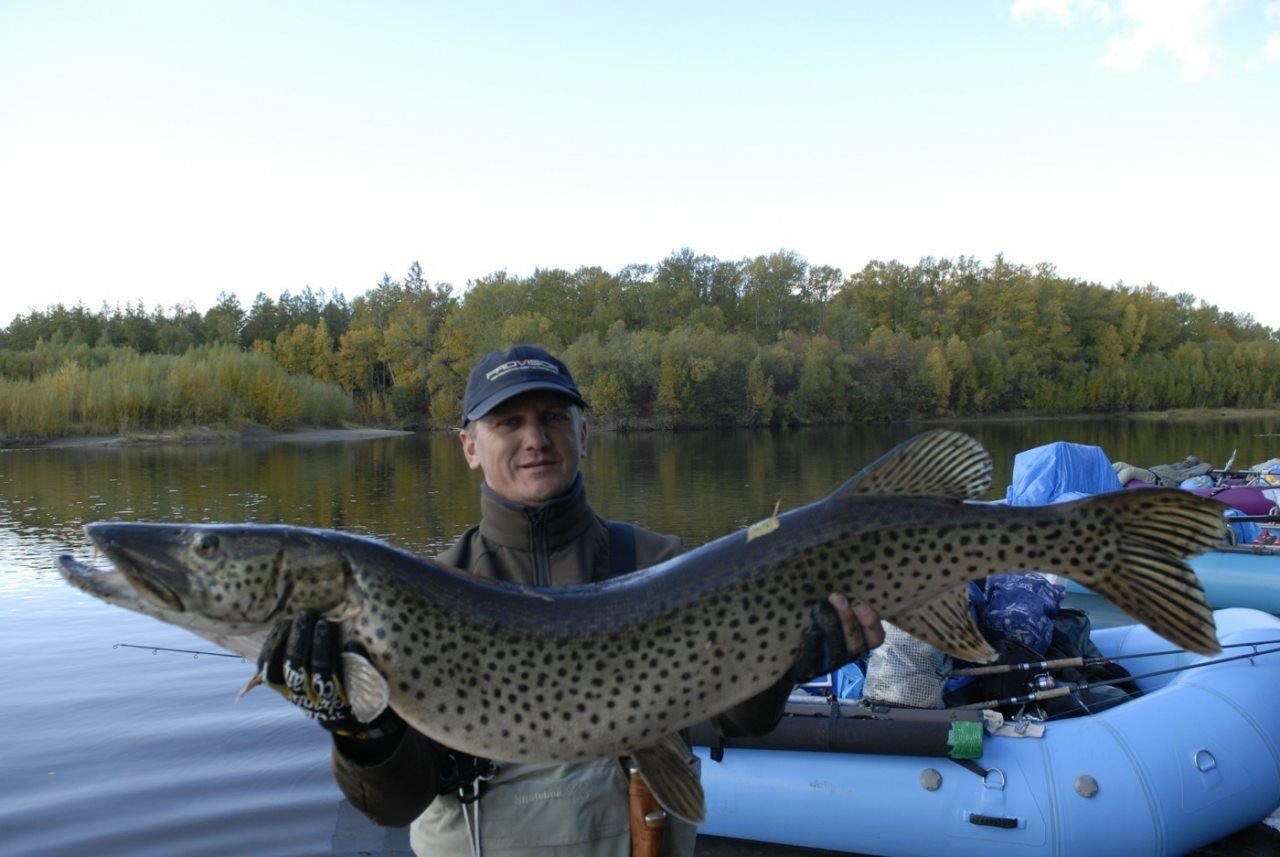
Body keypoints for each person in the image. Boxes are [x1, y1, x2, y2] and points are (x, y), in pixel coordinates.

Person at [260, 344, 884, 857]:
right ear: (470, 447)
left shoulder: (659, 563)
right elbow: (392, 805)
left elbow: (738, 720)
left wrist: (780, 666)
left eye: (554, 417)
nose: (536, 438)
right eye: (509, 421)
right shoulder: (426, 591)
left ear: (584, 433)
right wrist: (358, 733)